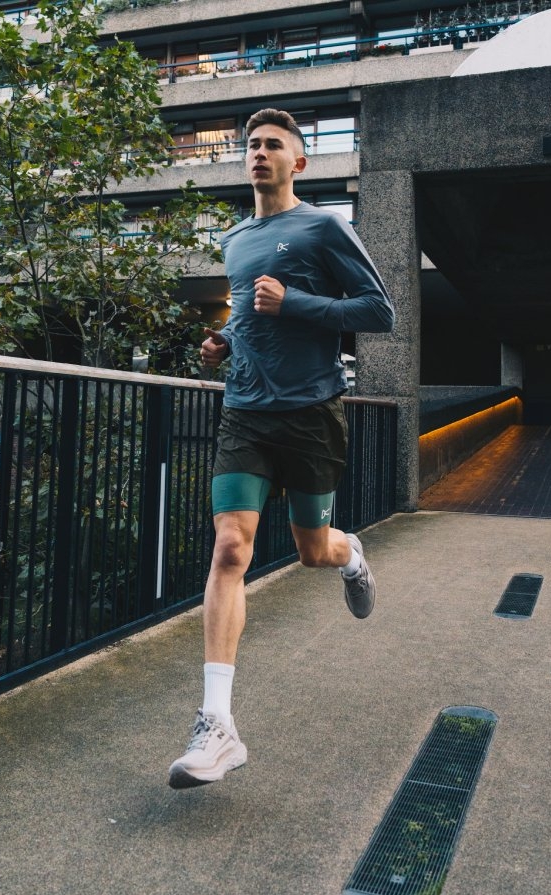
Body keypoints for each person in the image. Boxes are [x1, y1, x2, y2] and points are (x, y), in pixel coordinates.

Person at [168, 108, 395, 790]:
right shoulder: (235, 238)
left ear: (299, 162)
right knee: (230, 548)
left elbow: (378, 312)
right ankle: (217, 726)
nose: (260, 154)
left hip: (311, 415)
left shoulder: (324, 227)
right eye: (253, 146)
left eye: (274, 146)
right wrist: (223, 343)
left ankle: (349, 553)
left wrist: (294, 302)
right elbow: (244, 314)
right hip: (244, 413)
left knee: (309, 549)